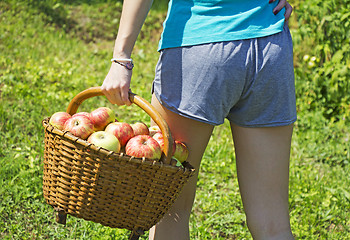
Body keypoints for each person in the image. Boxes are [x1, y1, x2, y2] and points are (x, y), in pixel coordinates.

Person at [101, 0, 296, 239]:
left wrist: (121, 57)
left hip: (199, 44)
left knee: (170, 209)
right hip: (270, 47)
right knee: (273, 225)